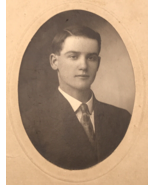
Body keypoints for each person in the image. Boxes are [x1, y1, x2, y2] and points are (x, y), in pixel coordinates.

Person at [22, 25, 131, 170]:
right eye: (73, 56)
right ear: (54, 62)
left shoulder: (122, 118)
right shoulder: (31, 122)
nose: (84, 66)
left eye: (91, 58)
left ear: (98, 63)